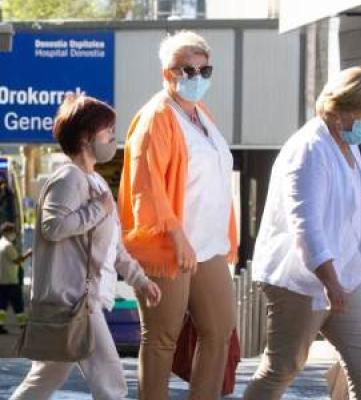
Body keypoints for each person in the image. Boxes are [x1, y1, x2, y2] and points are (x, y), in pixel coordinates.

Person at [243, 67, 361, 399]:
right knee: (283, 367)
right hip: (304, 280)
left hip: (346, 278)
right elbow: (306, 224)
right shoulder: (310, 149)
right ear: (342, 110)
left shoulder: (348, 146)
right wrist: (330, 281)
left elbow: (359, 218)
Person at [10, 94, 162, 400]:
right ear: (85, 137)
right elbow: (53, 228)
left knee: (46, 377)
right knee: (111, 383)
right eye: (108, 133)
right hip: (74, 302)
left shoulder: (97, 183)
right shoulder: (69, 179)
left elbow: (113, 248)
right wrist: (97, 211)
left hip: (82, 301)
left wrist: (141, 281)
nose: (113, 140)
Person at [118, 30, 239, 399]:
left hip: (209, 244)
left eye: (204, 70)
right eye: (186, 69)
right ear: (166, 73)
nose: (196, 77)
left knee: (219, 331)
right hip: (168, 246)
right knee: (161, 338)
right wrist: (177, 235)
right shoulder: (156, 116)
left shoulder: (201, 113)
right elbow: (146, 185)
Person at [0, 222, 31, 335]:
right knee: (18, 303)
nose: (14, 234)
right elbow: (17, 260)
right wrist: (28, 253)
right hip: (10, 280)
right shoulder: (8, 246)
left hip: (0, 279)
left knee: (2, 304)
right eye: (12, 231)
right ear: (6, 232)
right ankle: (23, 326)